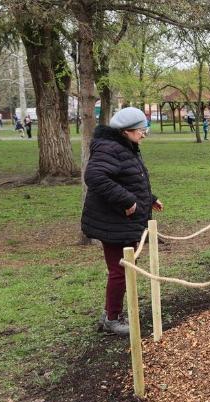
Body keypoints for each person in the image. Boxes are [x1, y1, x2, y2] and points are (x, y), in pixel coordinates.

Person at [81, 107, 163, 336]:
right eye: (140, 130)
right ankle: (112, 319)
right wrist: (127, 201)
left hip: (123, 221)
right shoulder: (110, 148)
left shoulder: (125, 146)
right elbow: (95, 177)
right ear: (126, 131)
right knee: (120, 271)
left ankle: (111, 312)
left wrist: (150, 199)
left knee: (124, 270)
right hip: (113, 222)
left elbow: (129, 177)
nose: (144, 134)